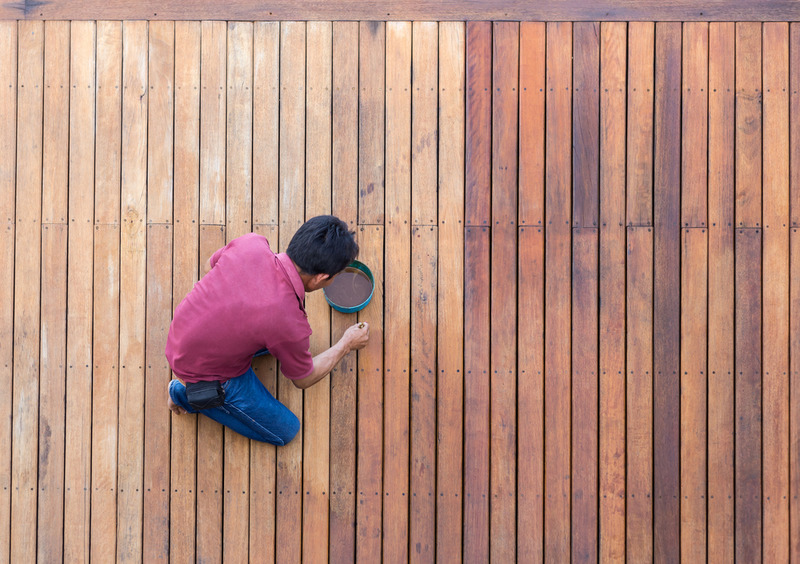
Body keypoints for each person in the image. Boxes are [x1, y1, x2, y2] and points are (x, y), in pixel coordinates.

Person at [165, 215, 370, 445]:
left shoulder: (251, 244)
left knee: (272, 335)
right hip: (204, 373)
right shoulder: (289, 322)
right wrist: (346, 344)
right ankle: (184, 395)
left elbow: (208, 265)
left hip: (180, 334)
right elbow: (303, 379)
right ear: (320, 278)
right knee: (286, 431)